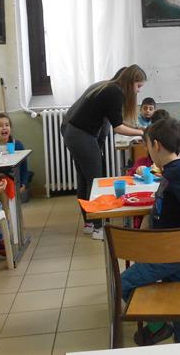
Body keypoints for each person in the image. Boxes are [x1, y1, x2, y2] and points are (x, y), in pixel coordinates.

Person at [120, 118, 180, 346]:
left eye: (147, 146)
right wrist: (151, 217)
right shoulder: (176, 168)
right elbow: (174, 202)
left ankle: (159, 326)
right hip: (173, 248)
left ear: (155, 145)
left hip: (171, 251)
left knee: (123, 284)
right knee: (178, 299)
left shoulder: (178, 172)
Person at [62, 65, 146, 240]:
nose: (138, 91)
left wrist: (136, 128)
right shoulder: (115, 93)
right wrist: (142, 132)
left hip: (74, 133)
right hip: (81, 135)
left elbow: (113, 121)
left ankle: (89, 223)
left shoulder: (107, 86)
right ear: (130, 82)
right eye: (138, 86)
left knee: (86, 180)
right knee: (96, 180)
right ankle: (99, 228)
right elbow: (118, 127)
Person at [0, 113, 31, 201]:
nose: (4, 127)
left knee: (5, 185)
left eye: (7, 125)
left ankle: (7, 212)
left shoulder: (17, 145)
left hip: (13, 180)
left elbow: (24, 167)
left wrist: (24, 183)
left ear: (10, 128)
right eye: (0, 126)